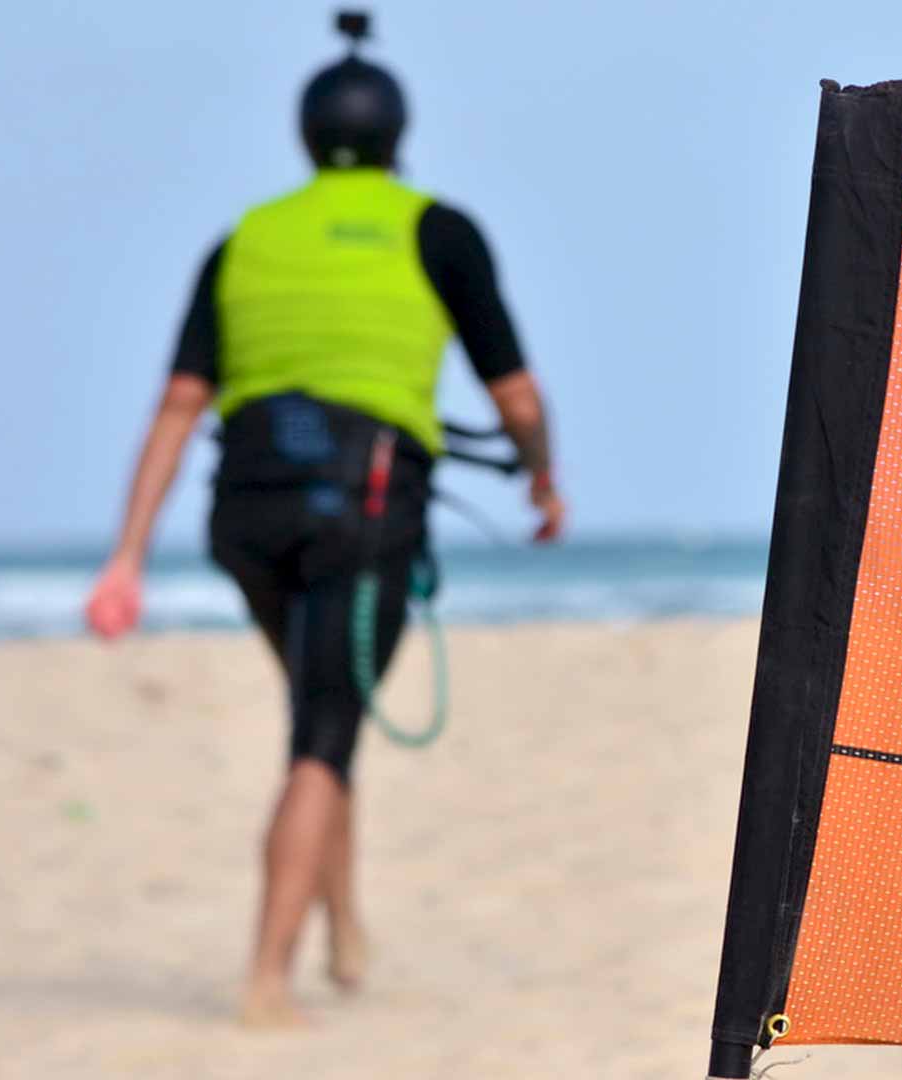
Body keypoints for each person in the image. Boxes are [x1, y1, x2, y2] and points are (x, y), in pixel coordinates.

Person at [83, 12, 564, 1026]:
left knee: (318, 714)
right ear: (400, 137)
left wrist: (126, 553)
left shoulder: (245, 238)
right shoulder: (438, 229)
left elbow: (179, 404)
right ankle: (267, 980)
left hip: (246, 516)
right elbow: (516, 397)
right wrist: (541, 480)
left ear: (306, 139)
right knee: (325, 734)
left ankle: (345, 930)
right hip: (365, 511)